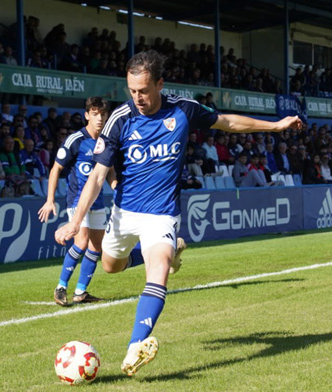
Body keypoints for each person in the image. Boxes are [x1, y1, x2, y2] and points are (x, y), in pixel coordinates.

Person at [54, 50, 302, 377]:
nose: (137, 97)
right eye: (132, 91)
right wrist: (75, 221)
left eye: (143, 90)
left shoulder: (184, 109)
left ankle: (135, 348)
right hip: (124, 213)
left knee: (158, 270)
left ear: (160, 83)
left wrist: (275, 126)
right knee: (111, 267)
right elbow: (98, 176)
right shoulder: (120, 119)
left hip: (162, 213)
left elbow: (227, 122)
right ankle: (170, 253)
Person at [40, 97, 114, 306]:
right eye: (95, 113)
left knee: (96, 246)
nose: (99, 118)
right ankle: (61, 287)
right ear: (87, 115)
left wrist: (116, 185)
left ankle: (80, 291)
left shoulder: (107, 141)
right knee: (80, 241)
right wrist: (50, 200)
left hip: (98, 201)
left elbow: (110, 171)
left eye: (103, 114)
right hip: (76, 200)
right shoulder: (76, 140)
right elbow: (56, 168)